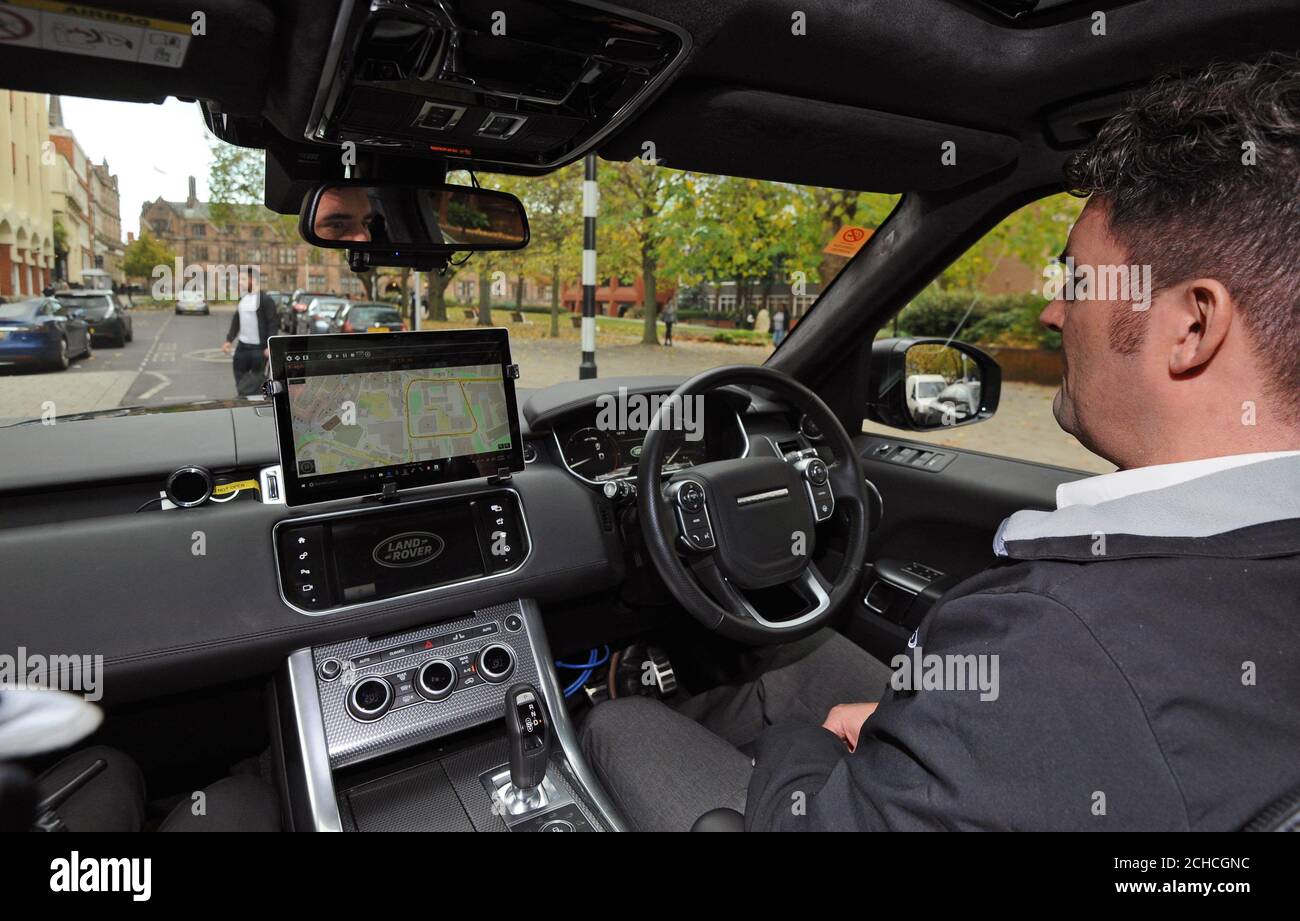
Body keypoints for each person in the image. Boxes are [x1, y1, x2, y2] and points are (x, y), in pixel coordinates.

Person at [581, 53, 1300, 832]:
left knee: (618, 728)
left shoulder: (1058, 645)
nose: (1054, 315)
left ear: (1192, 325)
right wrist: (921, 730)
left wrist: (807, 751)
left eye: (1077, 280)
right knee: (800, 663)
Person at [221, 268, 278, 397]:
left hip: (258, 350)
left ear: (253, 280)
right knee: (240, 381)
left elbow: (273, 323)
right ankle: (243, 402)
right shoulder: (244, 298)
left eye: (243, 279)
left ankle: (254, 405)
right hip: (242, 348)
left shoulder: (265, 300)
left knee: (256, 383)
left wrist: (270, 346)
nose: (240, 283)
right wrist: (228, 340)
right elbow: (237, 321)